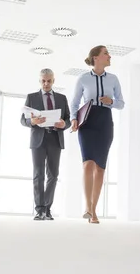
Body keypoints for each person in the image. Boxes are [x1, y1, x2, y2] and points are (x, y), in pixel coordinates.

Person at [71, 45, 125, 224]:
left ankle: (93, 211)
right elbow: (74, 102)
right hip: (87, 121)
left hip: (105, 122)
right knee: (87, 164)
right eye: (106, 54)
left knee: (100, 168)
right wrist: (73, 119)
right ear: (96, 58)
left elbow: (121, 103)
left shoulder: (114, 79)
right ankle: (88, 207)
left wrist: (111, 101)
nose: (109, 56)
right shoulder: (83, 79)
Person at [20, 69, 71, 221]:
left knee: (53, 175)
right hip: (38, 140)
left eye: (49, 80)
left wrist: (64, 124)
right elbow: (23, 120)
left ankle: (47, 209)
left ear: (53, 80)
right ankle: (39, 210)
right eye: (43, 81)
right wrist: (32, 121)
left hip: (55, 138)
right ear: (40, 81)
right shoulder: (31, 97)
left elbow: (68, 120)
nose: (46, 83)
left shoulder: (62, 98)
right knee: (38, 175)